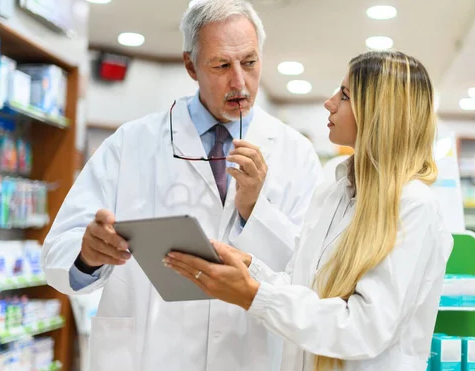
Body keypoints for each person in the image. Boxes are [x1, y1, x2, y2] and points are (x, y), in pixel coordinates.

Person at [41, 0, 322, 371]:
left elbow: (311, 273)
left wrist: (256, 209)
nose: (240, 81)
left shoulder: (296, 153)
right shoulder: (131, 144)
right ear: (191, 66)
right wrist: (88, 255)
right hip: (152, 354)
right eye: (222, 65)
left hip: (249, 355)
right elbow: (60, 249)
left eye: (250, 63)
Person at [166, 51, 454, 370]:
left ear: (377, 113)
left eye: (344, 95)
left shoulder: (414, 207)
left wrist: (252, 295)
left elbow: (364, 329)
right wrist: (250, 268)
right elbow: (302, 286)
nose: (329, 103)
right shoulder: (335, 185)